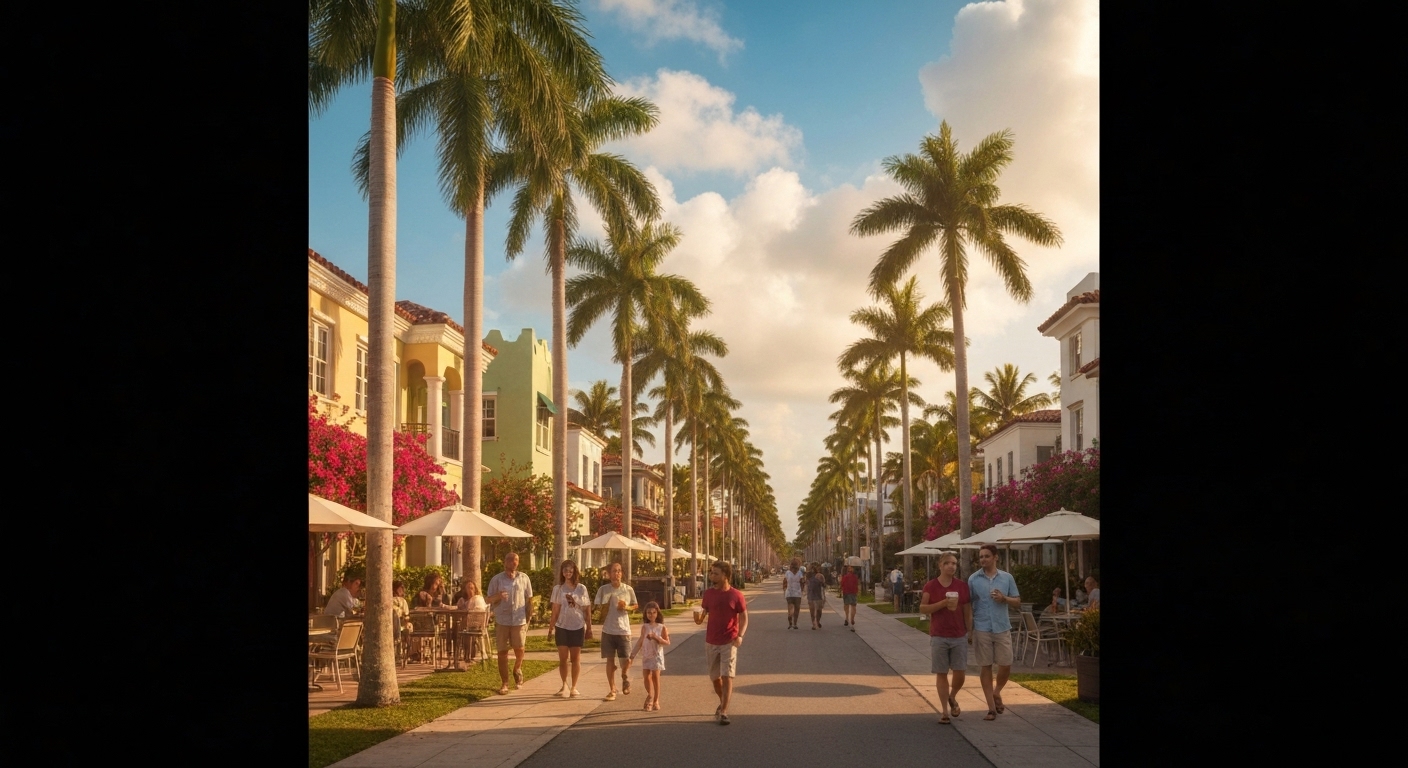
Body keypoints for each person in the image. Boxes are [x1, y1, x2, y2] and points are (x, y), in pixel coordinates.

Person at [968, 544, 1021, 721]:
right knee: (986, 666)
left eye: (987, 556)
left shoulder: (1007, 578)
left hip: (1001, 626)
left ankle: (997, 692)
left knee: (1006, 664)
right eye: (981, 556)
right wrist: (969, 631)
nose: (983, 559)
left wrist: (1004, 598)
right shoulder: (973, 579)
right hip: (982, 627)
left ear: (995, 557)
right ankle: (991, 707)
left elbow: (1017, 601)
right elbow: (968, 607)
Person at [920, 552, 973, 724]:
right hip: (939, 635)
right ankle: (944, 711)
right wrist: (943, 603)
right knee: (941, 672)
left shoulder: (962, 586)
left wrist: (969, 631)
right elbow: (923, 608)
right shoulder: (931, 586)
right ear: (940, 566)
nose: (951, 566)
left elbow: (966, 610)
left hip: (959, 635)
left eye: (954, 563)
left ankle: (953, 696)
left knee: (960, 671)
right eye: (948, 563)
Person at [695, 560, 747, 725]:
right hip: (711, 641)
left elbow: (744, 616)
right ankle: (723, 700)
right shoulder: (708, 594)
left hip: (729, 641)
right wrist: (698, 619)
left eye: (715, 573)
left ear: (725, 576)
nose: (712, 576)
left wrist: (740, 635)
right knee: (714, 678)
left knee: (727, 676)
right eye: (711, 573)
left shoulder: (736, 595)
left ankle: (724, 711)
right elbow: (703, 614)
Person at [487, 551, 533, 695]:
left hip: (519, 620)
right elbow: (488, 599)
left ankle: (517, 668)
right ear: (505, 562)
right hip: (503, 620)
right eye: (510, 560)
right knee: (502, 652)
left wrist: (529, 617)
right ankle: (505, 683)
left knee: (519, 648)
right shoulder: (497, 579)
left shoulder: (524, 578)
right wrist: (498, 596)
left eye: (516, 560)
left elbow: (529, 599)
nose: (513, 562)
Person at [594, 561, 638, 701]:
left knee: (626, 660)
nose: (616, 573)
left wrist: (626, 608)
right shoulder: (603, 590)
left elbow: (635, 605)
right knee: (610, 661)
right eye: (614, 571)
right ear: (609, 574)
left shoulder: (628, 589)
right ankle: (612, 689)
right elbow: (597, 607)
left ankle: (625, 676)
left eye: (619, 571)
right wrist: (602, 608)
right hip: (608, 630)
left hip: (623, 630)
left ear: (622, 573)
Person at [550, 559, 592, 698]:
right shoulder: (558, 589)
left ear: (574, 571)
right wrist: (551, 628)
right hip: (562, 625)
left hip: (577, 625)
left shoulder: (581, 588)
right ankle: (564, 685)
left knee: (575, 658)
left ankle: (574, 686)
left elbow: (587, 609)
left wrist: (589, 628)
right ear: (562, 572)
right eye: (565, 570)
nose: (567, 573)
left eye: (570, 570)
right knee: (563, 659)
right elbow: (555, 609)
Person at [630, 601, 671, 711]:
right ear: (645, 614)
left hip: (656, 655)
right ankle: (650, 695)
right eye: (649, 613)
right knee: (646, 677)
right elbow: (640, 641)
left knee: (655, 677)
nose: (651, 615)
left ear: (657, 613)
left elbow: (667, 642)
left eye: (653, 612)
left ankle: (655, 700)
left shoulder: (661, 627)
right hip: (646, 655)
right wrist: (632, 654)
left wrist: (656, 637)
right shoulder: (645, 627)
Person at [781, 557, 805, 630]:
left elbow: (784, 581)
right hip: (797, 593)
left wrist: (784, 589)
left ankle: (790, 619)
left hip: (789, 593)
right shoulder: (800, 573)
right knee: (797, 609)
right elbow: (802, 582)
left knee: (790, 607)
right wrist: (802, 589)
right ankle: (795, 623)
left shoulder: (788, 573)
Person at [806, 563, 827, 630]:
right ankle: (814, 624)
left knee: (818, 610)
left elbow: (824, 585)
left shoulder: (819, 576)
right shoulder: (808, 576)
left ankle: (817, 621)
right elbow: (806, 584)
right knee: (813, 610)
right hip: (812, 595)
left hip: (818, 595)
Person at [840, 565, 860, 629]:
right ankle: (852, 619)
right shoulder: (855, 577)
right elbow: (857, 584)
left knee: (846, 605)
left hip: (846, 592)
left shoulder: (844, 577)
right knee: (853, 606)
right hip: (853, 592)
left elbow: (842, 584)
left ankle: (846, 618)